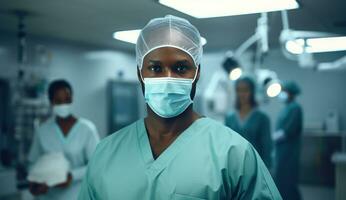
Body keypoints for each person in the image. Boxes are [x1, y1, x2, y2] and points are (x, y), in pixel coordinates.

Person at [78, 15, 281, 200]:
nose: (168, 78)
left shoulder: (234, 154)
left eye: (180, 68)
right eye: (156, 68)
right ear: (140, 73)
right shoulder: (106, 153)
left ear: (197, 73)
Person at [28, 79, 100, 200]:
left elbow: (97, 165)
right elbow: (32, 163)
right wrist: (34, 181)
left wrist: (72, 176)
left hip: (76, 195)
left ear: (72, 99)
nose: (64, 105)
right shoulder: (43, 131)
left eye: (67, 100)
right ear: (51, 102)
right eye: (58, 101)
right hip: (47, 196)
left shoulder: (87, 129)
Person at [225, 76, 272, 168]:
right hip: (234, 166)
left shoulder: (262, 118)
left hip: (256, 166)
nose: (242, 94)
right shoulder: (230, 118)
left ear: (252, 92)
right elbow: (226, 146)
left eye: (246, 90)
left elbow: (267, 147)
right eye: (239, 90)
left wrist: (266, 170)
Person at [273, 81, 303, 200]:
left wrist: (273, 137)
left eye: (284, 91)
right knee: (281, 179)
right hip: (281, 149)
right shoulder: (286, 108)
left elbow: (289, 130)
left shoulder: (296, 108)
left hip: (289, 150)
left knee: (288, 179)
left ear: (291, 93)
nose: (282, 94)